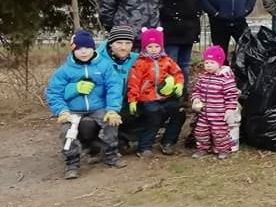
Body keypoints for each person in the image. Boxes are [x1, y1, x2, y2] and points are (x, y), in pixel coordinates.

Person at [45, 30, 126, 179]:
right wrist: (62, 111)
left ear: (93, 48)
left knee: (111, 122)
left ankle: (110, 154)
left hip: (98, 107)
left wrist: (113, 109)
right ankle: (72, 163)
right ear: (73, 50)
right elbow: (54, 92)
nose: (83, 52)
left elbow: (114, 87)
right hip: (73, 110)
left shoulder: (104, 66)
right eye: (79, 49)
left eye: (87, 48)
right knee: (66, 132)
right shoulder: (64, 71)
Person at [126, 27, 184, 157]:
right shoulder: (140, 63)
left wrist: (179, 84)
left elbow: (177, 73)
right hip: (148, 98)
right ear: (144, 47)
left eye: (157, 46)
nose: (153, 49)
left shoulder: (167, 60)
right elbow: (134, 83)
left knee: (178, 112)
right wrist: (132, 100)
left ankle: (168, 142)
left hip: (166, 96)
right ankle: (144, 147)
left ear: (161, 46)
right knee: (154, 116)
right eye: (150, 46)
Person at [157, 0, 201, 90]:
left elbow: (196, 1)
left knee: (185, 65)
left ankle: (183, 92)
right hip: (171, 30)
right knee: (171, 64)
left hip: (189, 29)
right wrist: (172, 15)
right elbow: (160, 3)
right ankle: (169, 94)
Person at [191, 46, 240, 159]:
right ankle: (202, 149)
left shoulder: (225, 79)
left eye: (212, 63)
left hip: (219, 114)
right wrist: (196, 99)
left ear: (219, 63)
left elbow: (231, 96)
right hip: (204, 113)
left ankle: (223, 149)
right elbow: (197, 91)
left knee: (220, 133)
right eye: (206, 62)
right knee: (200, 131)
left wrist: (229, 110)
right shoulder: (203, 78)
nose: (208, 65)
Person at [97, 25, 140, 155]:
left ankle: (126, 138)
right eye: (119, 43)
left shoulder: (137, 58)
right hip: (102, 104)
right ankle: (93, 146)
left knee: (155, 107)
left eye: (128, 43)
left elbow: (160, 65)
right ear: (111, 44)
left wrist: (169, 79)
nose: (123, 47)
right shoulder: (96, 60)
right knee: (87, 124)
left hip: (128, 102)